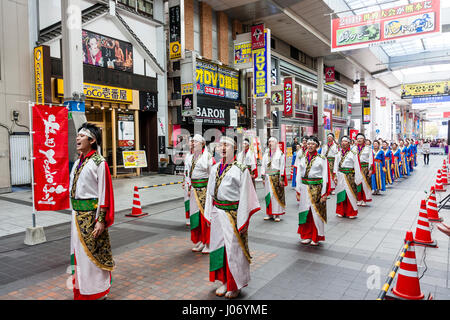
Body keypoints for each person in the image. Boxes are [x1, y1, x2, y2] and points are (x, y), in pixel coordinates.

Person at [205, 136, 261, 299]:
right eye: (220, 146)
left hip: (233, 215)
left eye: (227, 145)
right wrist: (209, 214)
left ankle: (234, 284)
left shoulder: (241, 169)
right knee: (218, 247)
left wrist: (243, 220)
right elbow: (210, 194)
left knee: (233, 249)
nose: (223, 148)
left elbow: (246, 196)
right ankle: (223, 281)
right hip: (217, 213)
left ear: (234, 148)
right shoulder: (215, 168)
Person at [69, 123, 114, 300]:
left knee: (92, 256)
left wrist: (101, 220)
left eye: (81, 135)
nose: (77, 138)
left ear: (92, 140)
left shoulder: (99, 162)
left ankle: (98, 292)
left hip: (91, 218)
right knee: (79, 255)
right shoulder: (79, 162)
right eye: (77, 136)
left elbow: (104, 193)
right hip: (76, 216)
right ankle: (82, 290)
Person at [295, 136, 330, 246]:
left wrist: (324, 193)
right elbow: (298, 174)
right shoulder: (301, 158)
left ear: (317, 146)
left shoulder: (322, 158)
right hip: (304, 188)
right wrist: (298, 190)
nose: (310, 146)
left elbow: (326, 176)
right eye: (308, 144)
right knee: (305, 211)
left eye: (312, 144)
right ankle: (306, 235)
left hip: (317, 188)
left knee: (316, 212)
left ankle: (316, 236)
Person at [188, 134, 215, 253]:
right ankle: (199, 240)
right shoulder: (191, 157)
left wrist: (211, 191)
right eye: (192, 142)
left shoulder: (208, 157)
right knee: (195, 217)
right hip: (194, 190)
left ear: (202, 144)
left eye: (196, 142)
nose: (193, 144)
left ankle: (208, 242)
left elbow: (212, 174)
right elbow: (188, 173)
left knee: (205, 216)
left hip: (204, 190)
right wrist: (188, 187)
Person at [334, 136, 363, 219]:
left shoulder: (353, 154)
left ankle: (351, 212)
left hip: (350, 175)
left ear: (349, 143)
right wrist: (335, 175)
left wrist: (358, 178)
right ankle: (340, 211)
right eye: (342, 141)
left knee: (350, 193)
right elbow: (335, 165)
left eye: (345, 141)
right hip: (340, 175)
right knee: (341, 193)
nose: (343, 143)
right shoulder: (338, 153)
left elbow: (357, 166)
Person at [261, 137, 287, 222]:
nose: (270, 143)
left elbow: (282, 166)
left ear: (276, 143)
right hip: (268, 177)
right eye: (269, 142)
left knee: (276, 196)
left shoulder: (281, 154)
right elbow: (263, 166)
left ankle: (277, 214)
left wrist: (282, 179)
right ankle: (269, 214)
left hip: (276, 177)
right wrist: (263, 177)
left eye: (272, 141)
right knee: (268, 195)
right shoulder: (265, 154)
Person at [353, 133, 373, 207]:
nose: (359, 140)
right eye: (358, 138)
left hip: (365, 168)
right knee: (357, 183)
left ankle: (364, 199)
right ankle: (359, 199)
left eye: (361, 138)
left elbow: (371, 159)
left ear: (364, 139)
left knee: (365, 184)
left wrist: (370, 169)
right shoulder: (354, 148)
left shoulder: (368, 148)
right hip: (356, 168)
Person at [183, 136, 194, 226]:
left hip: (193, 183)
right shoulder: (187, 155)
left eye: (192, 142)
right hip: (187, 181)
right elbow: (185, 170)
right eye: (189, 142)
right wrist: (184, 181)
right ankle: (188, 218)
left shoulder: (198, 156)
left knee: (194, 202)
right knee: (187, 201)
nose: (190, 144)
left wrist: (190, 187)